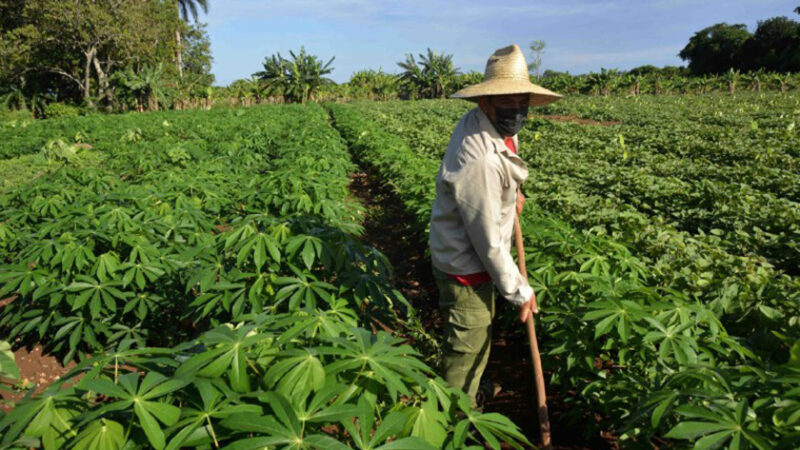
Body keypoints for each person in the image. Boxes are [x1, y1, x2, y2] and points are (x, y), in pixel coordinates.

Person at [428, 44, 562, 408]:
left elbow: (505, 164)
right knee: (467, 343)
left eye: (521, 99)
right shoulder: (480, 161)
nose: (516, 108)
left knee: (478, 331)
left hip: (470, 252)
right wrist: (520, 291)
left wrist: (513, 192)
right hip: (465, 265)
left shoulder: (489, 124)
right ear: (487, 101)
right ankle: (453, 415)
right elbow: (487, 242)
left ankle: (467, 397)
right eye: (506, 99)